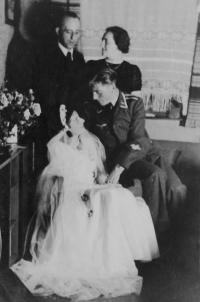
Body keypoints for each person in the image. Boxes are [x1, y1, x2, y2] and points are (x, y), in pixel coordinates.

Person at [11, 109, 159, 301]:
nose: (81, 120)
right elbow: (56, 177)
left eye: (81, 117)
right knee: (101, 200)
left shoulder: (90, 141)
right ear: (65, 122)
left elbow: (98, 172)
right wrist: (81, 193)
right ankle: (107, 265)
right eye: (75, 118)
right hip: (73, 190)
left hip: (92, 186)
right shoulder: (59, 145)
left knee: (119, 195)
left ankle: (115, 262)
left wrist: (107, 180)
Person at [84, 68, 187, 236]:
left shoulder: (134, 103)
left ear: (111, 86)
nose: (94, 97)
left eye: (98, 92)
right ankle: (152, 237)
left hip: (145, 153)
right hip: (125, 158)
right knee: (155, 174)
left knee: (178, 190)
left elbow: (138, 140)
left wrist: (118, 168)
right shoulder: (91, 108)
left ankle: (174, 241)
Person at [33, 11, 85, 174]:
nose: (73, 37)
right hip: (50, 126)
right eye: (68, 31)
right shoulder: (44, 56)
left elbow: (80, 93)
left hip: (71, 125)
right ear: (58, 31)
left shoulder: (78, 58)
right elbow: (47, 96)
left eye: (77, 32)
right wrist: (62, 127)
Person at [79, 26, 141, 105]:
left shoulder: (132, 71)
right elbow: (82, 97)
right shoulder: (91, 66)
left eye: (106, 42)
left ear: (119, 44)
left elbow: (134, 106)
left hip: (121, 116)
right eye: (102, 41)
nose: (101, 45)